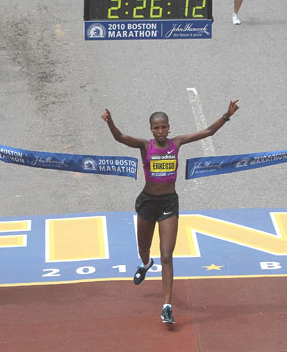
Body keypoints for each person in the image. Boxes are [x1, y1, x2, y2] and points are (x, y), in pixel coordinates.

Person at [101, 100, 239, 323]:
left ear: (169, 127)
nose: (161, 131)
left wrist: (227, 115)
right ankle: (146, 264)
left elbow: (208, 131)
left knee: (167, 255)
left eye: (164, 126)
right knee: (143, 248)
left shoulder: (177, 142)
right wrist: (110, 122)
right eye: (156, 127)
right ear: (151, 130)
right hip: (147, 203)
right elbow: (120, 138)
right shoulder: (145, 146)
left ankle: (167, 305)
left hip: (168, 204)